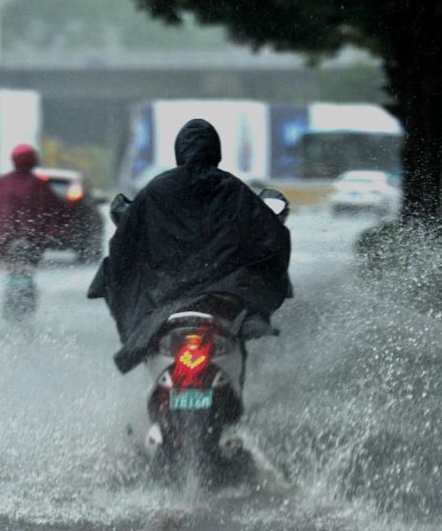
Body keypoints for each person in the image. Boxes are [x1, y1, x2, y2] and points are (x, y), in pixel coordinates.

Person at [88, 118, 292, 373]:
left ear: (179, 151)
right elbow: (268, 237)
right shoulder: (233, 189)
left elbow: (125, 245)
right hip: (225, 290)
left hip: (167, 292)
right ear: (216, 151)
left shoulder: (157, 190)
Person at [0, 143, 61, 268]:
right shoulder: (39, 184)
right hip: (31, 236)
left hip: (2, 236)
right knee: (28, 261)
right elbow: (55, 208)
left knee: (11, 261)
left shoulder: (2, 182)